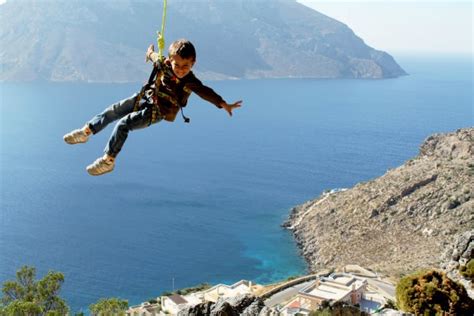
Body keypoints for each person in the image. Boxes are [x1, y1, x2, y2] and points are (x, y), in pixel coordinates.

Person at [63, 39, 242, 176]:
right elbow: (156, 58)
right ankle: (86, 132)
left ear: (193, 64)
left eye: (185, 66)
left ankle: (108, 160)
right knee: (114, 110)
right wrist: (150, 53)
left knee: (123, 124)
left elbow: (205, 92)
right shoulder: (164, 64)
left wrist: (222, 103)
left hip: (158, 111)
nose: (180, 70)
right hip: (146, 97)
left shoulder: (190, 82)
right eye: (177, 65)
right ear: (170, 60)